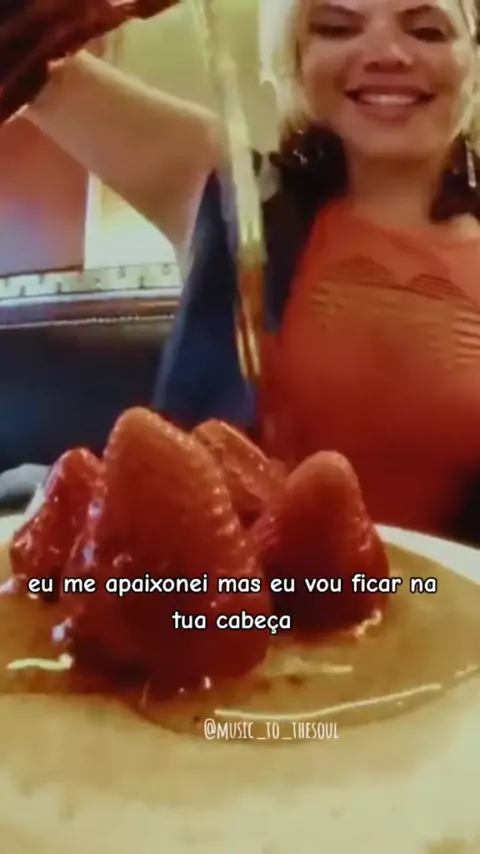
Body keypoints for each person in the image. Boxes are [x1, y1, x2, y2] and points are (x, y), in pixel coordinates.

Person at [10, 0, 480, 540]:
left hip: (445, 594)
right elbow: (24, 58)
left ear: (473, 58)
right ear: (296, 63)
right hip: (207, 588)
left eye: (426, 30)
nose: (387, 54)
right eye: (336, 28)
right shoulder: (231, 190)